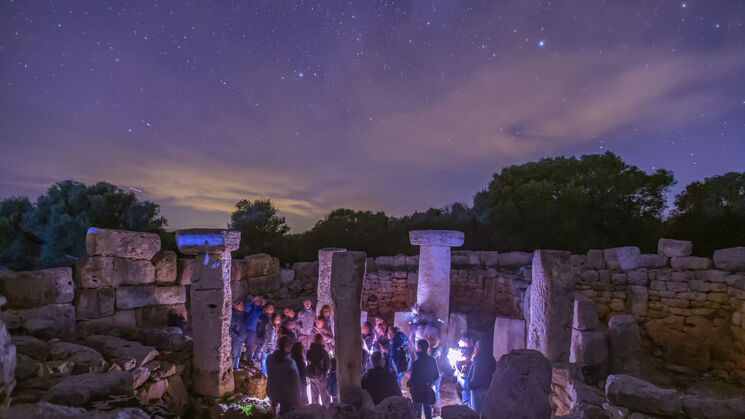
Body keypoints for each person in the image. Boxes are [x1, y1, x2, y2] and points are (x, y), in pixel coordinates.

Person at [266, 336, 303, 415]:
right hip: (287, 396)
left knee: (274, 413)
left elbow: (269, 375)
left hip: (272, 392)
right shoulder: (290, 363)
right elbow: (295, 383)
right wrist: (298, 398)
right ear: (288, 347)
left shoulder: (269, 359)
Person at [408, 339, 439, 419]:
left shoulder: (416, 363)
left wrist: (410, 384)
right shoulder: (432, 360)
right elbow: (436, 375)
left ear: (419, 348)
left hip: (417, 391)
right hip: (428, 389)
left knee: (417, 413)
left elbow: (413, 379)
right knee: (428, 413)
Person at [465, 339, 496, 414]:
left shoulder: (480, 359)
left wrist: (470, 384)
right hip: (486, 387)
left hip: (478, 390)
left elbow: (477, 376)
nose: (474, 348)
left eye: (476, 346)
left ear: (479, 347)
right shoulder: (491, 357)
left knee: (477, 412)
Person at [306, 334, 331, 406]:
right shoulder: (323, 352)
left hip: (312, 376)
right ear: (321, 341)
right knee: (325, 397)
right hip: (321, 376)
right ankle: (326, 413)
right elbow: (328, 365)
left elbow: (308, 362)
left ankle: (315, 412)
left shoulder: (309, 352)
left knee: (314, 396)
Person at [242, 296, 265, 364]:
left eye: (259, 301)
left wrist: (262, 306)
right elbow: (244, 308)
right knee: (247, 345)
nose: (258, 302)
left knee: (256, 344)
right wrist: (252, 301)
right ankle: (249, 360)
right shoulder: (250, 306)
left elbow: (262, 315)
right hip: (245, 328)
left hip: (253, 331)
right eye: (257, 301)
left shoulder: (259, 309)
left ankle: (252, 358)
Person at [429, 336, 444, 417]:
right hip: (437, 372)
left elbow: (432, 359)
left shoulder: (437, 350)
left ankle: (436, 408)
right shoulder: (439, 349)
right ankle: (435, 407)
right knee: (435, 389)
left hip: (436, 373)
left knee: (435, 389)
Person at [229, 300, 246, 370]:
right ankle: (232, 369)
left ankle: (236, 367)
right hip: (236, 340)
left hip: (241, 339)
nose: (242, 306)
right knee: (234, 355)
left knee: (238, 354)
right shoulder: (234, 316)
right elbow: (230, 330)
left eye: (242, 305)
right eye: (240, 305)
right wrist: (237, 337)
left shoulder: (241, 314)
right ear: (235, 307)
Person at [290, 341, 308, 406]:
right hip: (301, 387)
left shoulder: (290, 361)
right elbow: (303, 376)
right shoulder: (301, 362)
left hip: (292, 387)